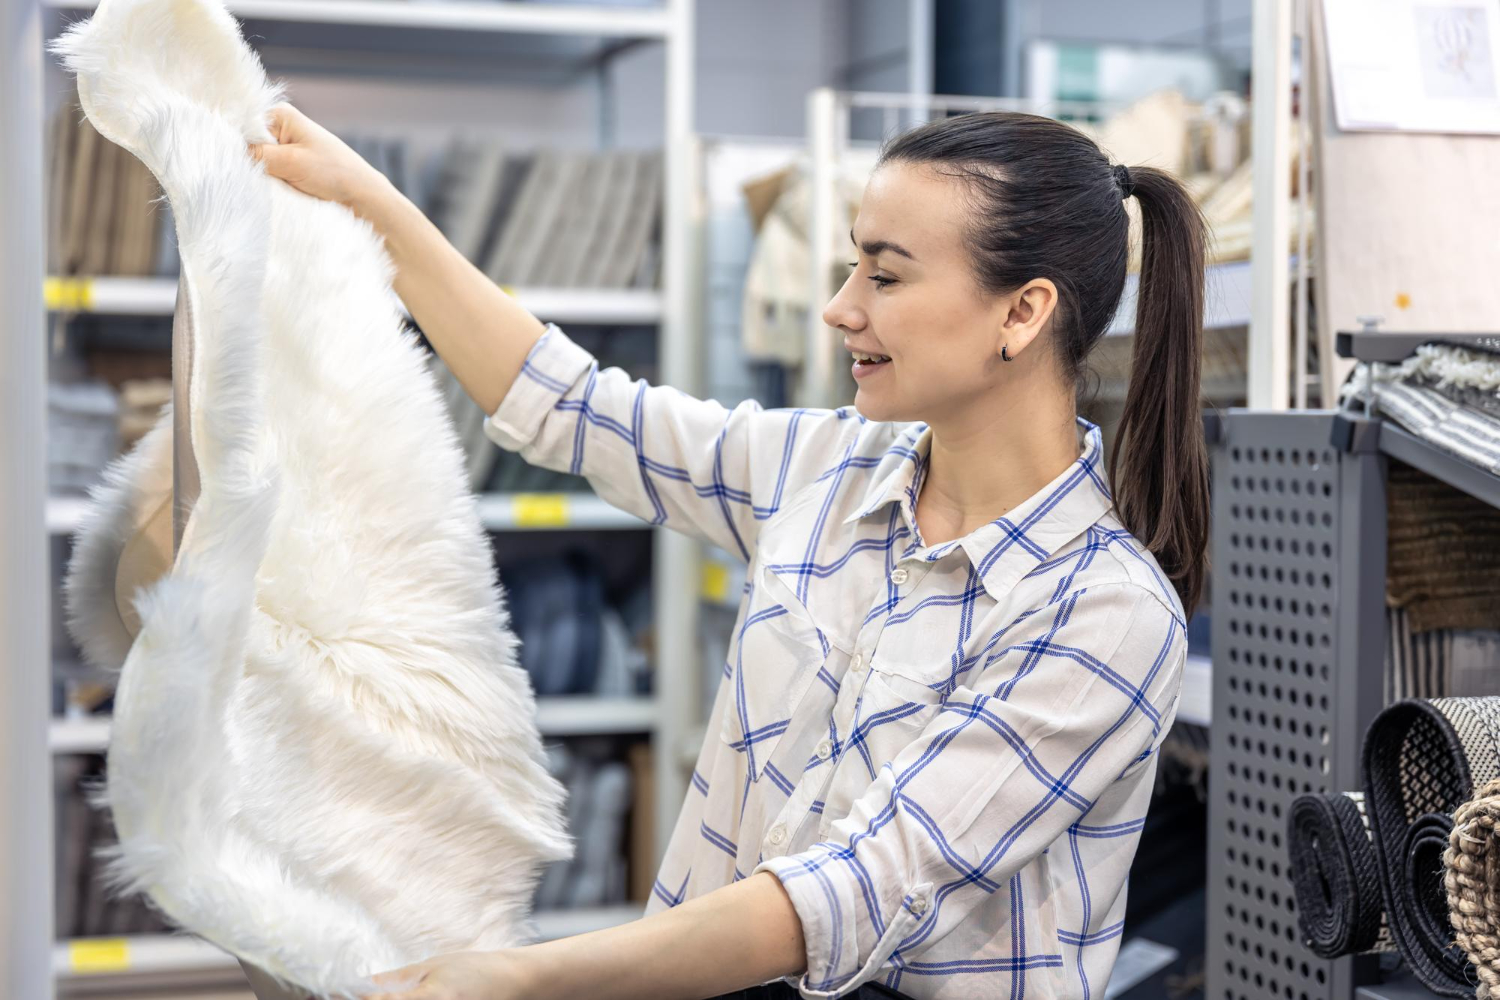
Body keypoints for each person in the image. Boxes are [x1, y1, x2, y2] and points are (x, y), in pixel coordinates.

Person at [249, 101, 1207, 1000]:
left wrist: (522, 977)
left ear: (1023, 312)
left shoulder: (1103, 613)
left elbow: (862, 886)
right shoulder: (825, 468)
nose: (839, 308)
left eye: (885, 273)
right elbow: (575, 408)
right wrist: (369, 205)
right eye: (850, 267)